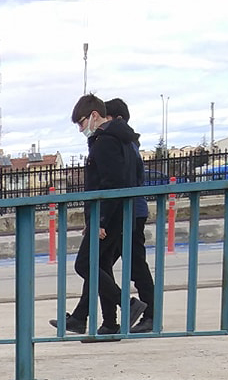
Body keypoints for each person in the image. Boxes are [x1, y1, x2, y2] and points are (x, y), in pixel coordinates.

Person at [63, 93, 140, 336]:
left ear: (95, 115)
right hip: (118, 215)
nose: (81, 129)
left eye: (81, 122)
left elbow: (109, 184)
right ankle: (108, 323)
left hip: (108, 215)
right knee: (101, 265)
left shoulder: (106, 141)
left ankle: (128, 304)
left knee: (84, 264)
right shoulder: (123, 140)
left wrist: (100, 220)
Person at [104, 98, 155, 333]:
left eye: (108, 118)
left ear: (118, 119)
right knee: (98, 265)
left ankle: (151, 314)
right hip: (128, 212)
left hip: (131, 212)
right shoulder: (128, 143)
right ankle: (83, 315)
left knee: (135, 267)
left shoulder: (126, 144)